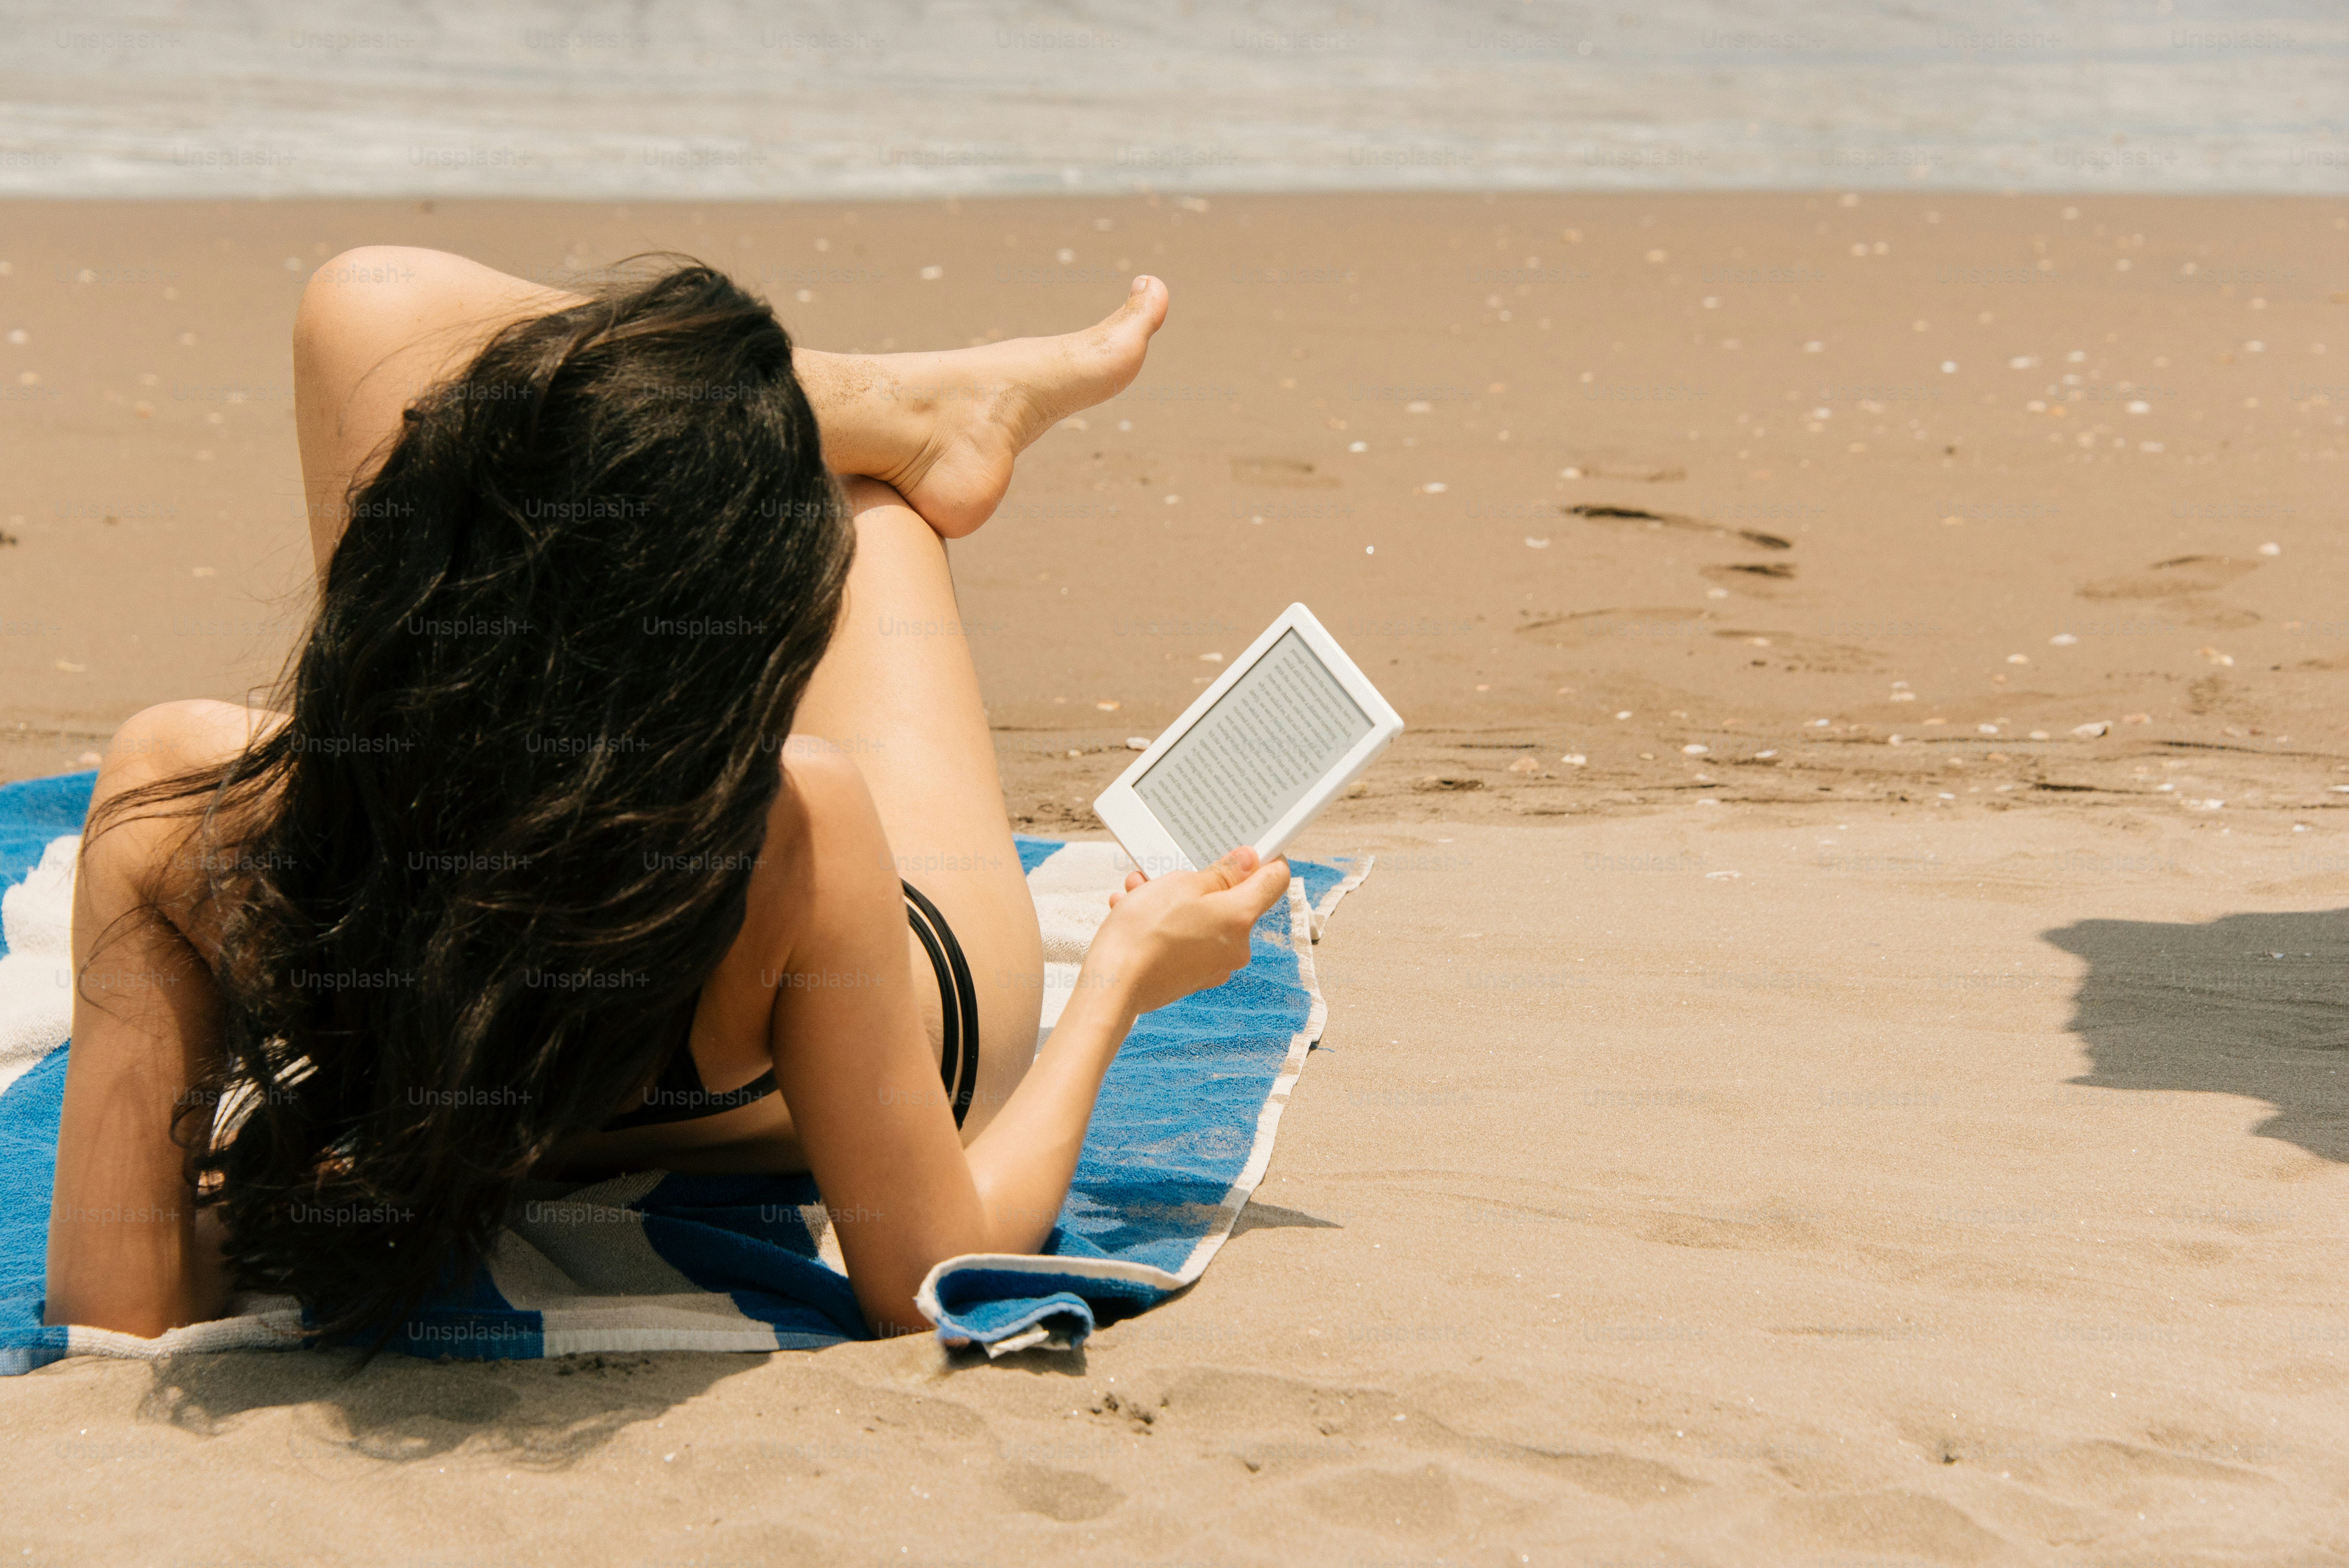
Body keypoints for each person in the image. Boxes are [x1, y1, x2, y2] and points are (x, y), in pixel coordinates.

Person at [44, 248, 1291, 1345]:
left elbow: (115, 1312)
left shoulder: (176, 795)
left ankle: (889, 413)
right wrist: (1121, 978)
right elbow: (928, 1280)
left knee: (363, 304)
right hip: (896, 1019)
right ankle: (904, 421)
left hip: (479, 866)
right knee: (875, 516)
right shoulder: (797, 825)